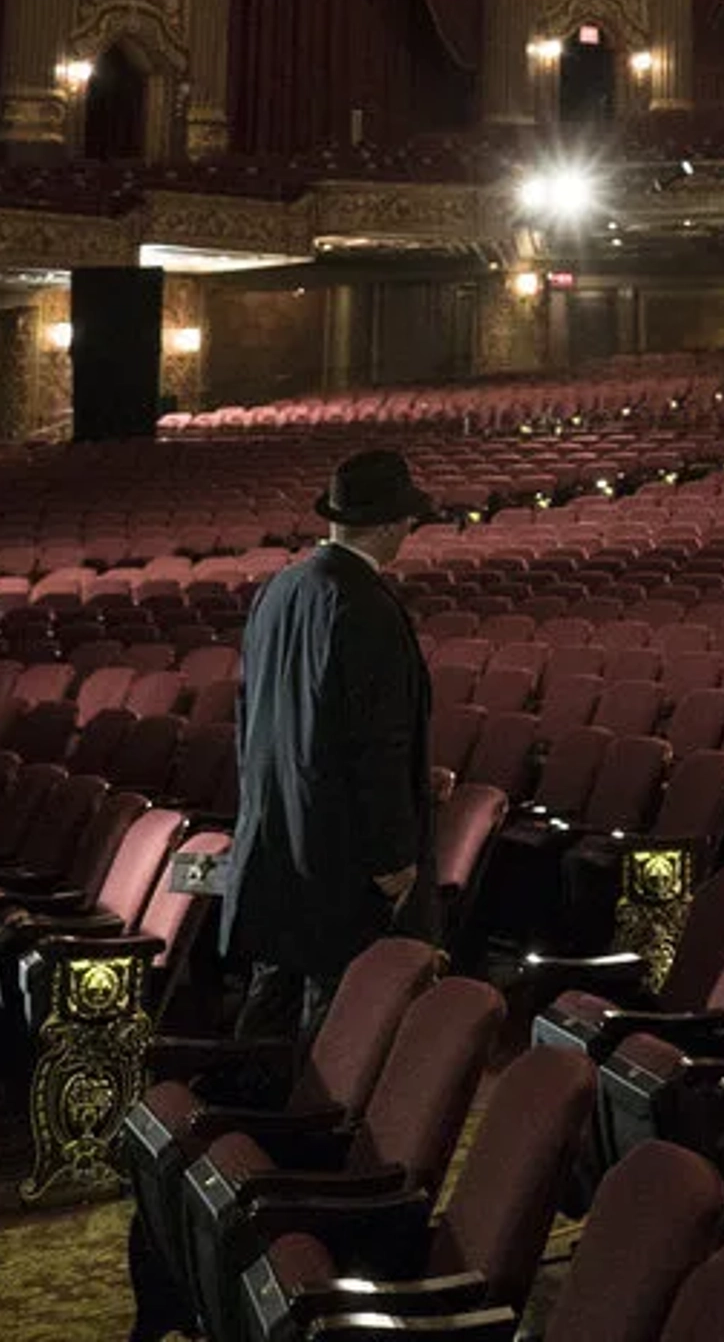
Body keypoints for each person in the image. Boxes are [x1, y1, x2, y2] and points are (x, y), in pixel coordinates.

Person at [222, 446, 438, 1044]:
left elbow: (250, 719)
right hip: (339, 853)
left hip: (276, 835)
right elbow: (377, 747)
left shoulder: (280, 589)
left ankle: (235, 1125)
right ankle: (300, 1130)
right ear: (393, 525)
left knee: (270, 1003)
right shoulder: (366, 606)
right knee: (333, 1024)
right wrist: (394, 860)